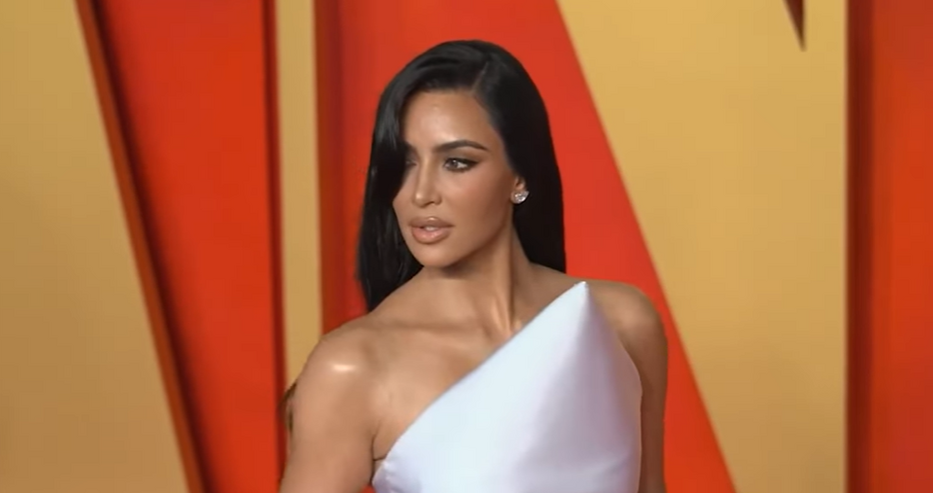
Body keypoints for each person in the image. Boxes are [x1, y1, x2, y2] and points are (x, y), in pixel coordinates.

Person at [279, 40, 668, 493]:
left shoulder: (620, 321)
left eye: (457, 162)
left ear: (519, 176)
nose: (421, 193)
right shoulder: (353, 368)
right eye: (403, 163)